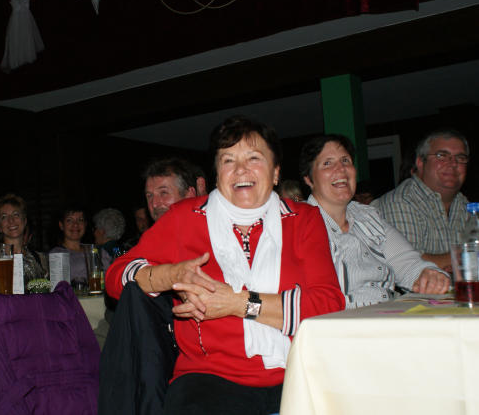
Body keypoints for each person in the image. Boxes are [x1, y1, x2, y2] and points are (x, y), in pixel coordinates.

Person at [106, 115, 344, 415]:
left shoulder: (303, 220)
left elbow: (329, 305)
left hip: (300, 372)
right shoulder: (184, 218)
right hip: (208, 380)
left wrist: (238, 303)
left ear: (275, 172)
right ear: (217, 174)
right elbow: (116, 277)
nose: (240, 169)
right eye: (228, 160)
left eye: (253, 158)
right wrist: (171, 275)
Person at [300, 134, 449, 308]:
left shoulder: (368, 216)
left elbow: (408, 264)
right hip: (340, 320)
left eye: (345, 161)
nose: (341, 169)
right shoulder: (298, 224)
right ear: (308, 179)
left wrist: (429, 275)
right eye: (327, 163)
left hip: (386, 315)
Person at [373, 129, 470, 270]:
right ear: (420, 162)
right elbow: (408, 266)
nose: (453, 163)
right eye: (442, 156)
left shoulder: (465, 205)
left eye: (460, 158)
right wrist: (467, 256)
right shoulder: (401, 202)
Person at [49, 206, 111, 286]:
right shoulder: (57, 254)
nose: (75, 224)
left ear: (85, 224)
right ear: (61, 225)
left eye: (80, 220)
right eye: (69, 220)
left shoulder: (96, 251)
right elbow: (58, 287)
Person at [0, 193, 47, 281]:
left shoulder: (40, 259)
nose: (11, 220)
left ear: (24, 221)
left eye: (16, 214)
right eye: (4, 217)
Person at [143, 157, 199, 222]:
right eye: (149, 196)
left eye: (163, 193)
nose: (154, 204)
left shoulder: (207, 226)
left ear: (189, 195)